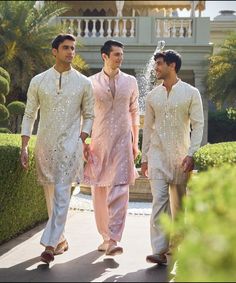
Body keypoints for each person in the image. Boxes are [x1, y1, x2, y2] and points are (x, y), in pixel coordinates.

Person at [20, 34, 94, 264]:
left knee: (62, 194)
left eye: (73, 48)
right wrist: (24, 146)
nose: (71, 52)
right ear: (54, 51)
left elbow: (90, 115)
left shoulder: (84, 82)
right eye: (65, 48)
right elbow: (30, 113)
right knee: (51, 196)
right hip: (45, 145)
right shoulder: (39, 81)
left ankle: (50, 245)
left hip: (70, 146)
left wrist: (82, 138)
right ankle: (60, 240)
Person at [141, 49, 204, 265]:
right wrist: (145, 158)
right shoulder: (152, 96)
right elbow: (148, 129)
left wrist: (192, 153)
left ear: (172, 66)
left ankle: (177, 246)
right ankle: (158, 250)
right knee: (159, 201)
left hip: (181, 157)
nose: (155, 68)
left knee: (179, 206)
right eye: (156, 64)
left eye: (159, 64)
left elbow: (198, 125)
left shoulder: (191, 93)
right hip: (157, 155)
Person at [83, 40, 140, 256]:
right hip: (98, 141)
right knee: (99, 189)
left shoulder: (131, 81)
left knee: (121, 188)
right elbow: (85, 115)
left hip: (123, 142)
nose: (120, 58)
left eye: (121, 54)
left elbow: (134, 111)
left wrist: (135, 143)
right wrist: (84, 141)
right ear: (104, 56)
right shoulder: (89, 83)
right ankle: (105, 236)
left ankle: (115, 238)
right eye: (116, 54)